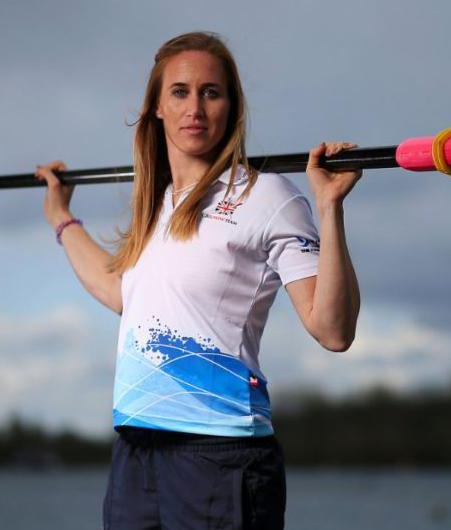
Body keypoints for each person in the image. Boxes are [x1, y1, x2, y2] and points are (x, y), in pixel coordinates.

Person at [33, 31, 361, 530]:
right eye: (180, 92)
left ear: (231, 107)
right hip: (135, 456)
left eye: (212, 92)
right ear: (157, 108)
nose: (196, 108)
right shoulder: (156, 205)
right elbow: (122, 292)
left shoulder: (268, 196)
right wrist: (61, 216)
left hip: (221, 456)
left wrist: (329, 206)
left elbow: (333, 330)